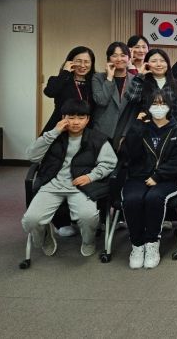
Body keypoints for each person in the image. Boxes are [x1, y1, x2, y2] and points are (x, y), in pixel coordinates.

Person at [22, 99, 117, 258]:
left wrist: (90, 176)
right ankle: (45, 237)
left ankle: (88, 241)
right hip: (51, 184)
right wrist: (53, 133)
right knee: (31, 220)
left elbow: (109, 163)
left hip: (81, 186)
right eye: (71, 117)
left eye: (81, 118)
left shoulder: (97, 138)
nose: (76, 122)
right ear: (63, 118)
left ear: (87, 119)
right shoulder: (53, 136)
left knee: (88, 216)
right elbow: (32, 156)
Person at [119, 90, 177, 269]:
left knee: (154, 198)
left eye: (162, 103)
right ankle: (137, 244)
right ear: (148, 107)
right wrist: (137, 126)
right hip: (138, 176)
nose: (159, 107)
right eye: (155, 104)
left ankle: (152, 243)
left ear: (169, 107)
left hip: (167, 179)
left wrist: (158, 176)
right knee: (132, 198)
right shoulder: (141, 127)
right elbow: (128, 154)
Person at [123, 48, 177, 134]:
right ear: (147, 64)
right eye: (154, 61)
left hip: (172, 134)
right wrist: (140, 75)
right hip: (146, 133)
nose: (159, 64)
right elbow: (132, 98)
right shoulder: (141, 82)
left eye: (162, 61)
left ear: (167, 64)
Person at [43, 46, 96, 133]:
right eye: (78, 61)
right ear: (70, 62)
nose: (82, 65)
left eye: (86, 62)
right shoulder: (60, 80)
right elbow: (50, 92)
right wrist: (65, 72)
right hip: (60, 128)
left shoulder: (95, 83)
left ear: (92, 63)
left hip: (86, 130)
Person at [92, 42, 135, 141]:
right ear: (108, 59)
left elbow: (133, 111)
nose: (119, 59)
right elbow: (102, 101)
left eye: (123, 55)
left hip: (125, 132)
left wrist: (125, 134)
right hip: (102, 132)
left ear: (129, 59)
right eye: (114, 56)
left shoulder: (135, 80)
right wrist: (109, 78)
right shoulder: (98, 77)